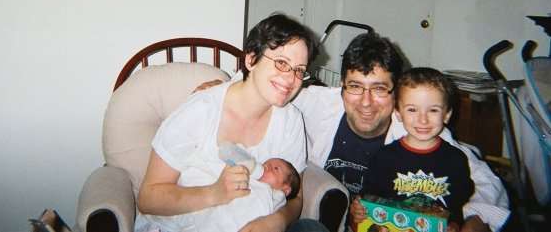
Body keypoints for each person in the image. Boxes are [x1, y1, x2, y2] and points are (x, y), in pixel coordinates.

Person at [293, 32, 510, 232]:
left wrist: (474, 221)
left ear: (396, 92)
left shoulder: (419, 130)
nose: (366, 102)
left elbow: (486, 181)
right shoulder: (317, 103)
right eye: (355, 86)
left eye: (379, 88)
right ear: (342, 85)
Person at [136, 13, 319, 232]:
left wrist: (276, 222)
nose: (291, 79)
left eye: (299, 70)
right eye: (281, 63)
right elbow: (148, 197)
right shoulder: (201, 111)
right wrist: (214, 193)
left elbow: (295, 197)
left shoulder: (291, 121)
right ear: (251, 60)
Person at [350, 67, 475, 232]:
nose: (423, 120)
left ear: (447, 115)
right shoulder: (384, 157)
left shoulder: (456, 160)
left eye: (433, 110)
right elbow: (367, 205)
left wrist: (454, 224)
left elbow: (457, 206)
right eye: (412, 109)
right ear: (398, 113)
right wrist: (358, 212)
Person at [146, 157, 301, 232]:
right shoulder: (248, 177)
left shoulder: (276, 196)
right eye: (266, 163)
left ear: (285, 189)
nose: (267, 167)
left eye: (275, 169)